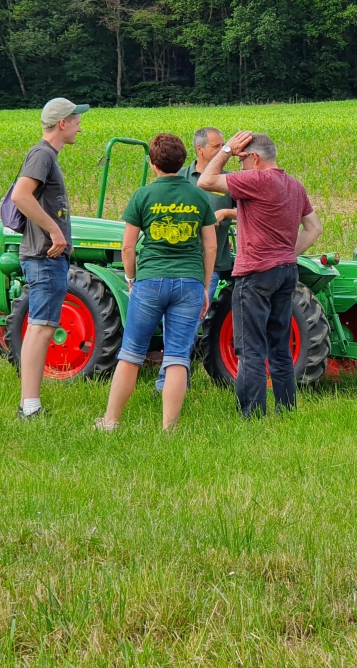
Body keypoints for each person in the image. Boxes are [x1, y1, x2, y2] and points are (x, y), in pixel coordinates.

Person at [198, 131, 323, 417]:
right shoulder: (294, 185)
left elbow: (206, 180)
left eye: (243, 161)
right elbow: (314, 227)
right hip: (286, 272)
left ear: (254, 158)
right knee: (279, 346)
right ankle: (286, 410)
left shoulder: (256, 179)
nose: (239, 167)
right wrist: (289, 253)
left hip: (255, 274)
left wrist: (228, 148)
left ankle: (252, 415)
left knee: (250, 349)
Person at [98, 133, 216, 431]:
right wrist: (203, 286)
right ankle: (169, 429)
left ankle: (110, 422)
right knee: (177, 356)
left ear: (153, 164)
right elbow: (211, 247)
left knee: (131, 353)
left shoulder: (143, 195)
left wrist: (130, 279)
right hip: (188, 282)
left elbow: (127, 247)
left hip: (150, 281)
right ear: (182, 161)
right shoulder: (198, 195)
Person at [12, 97, 88, 420]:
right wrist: (55, 232)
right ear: (62, 124)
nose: (79, 126)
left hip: (46, 257)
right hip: (44, 256)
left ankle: (30, 404)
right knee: (41, 328)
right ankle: (29, 407)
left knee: (41, 326)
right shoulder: (42, 154)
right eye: (76, 120)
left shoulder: (46, 156)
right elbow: (20, 195)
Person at [153, 126, 236, 392]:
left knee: (189, 324)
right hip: (179, 264)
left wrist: (226, 213)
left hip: (210, 267)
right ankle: (173, 383)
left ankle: (169, 384)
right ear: (199, 150)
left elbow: (250, 210)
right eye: (217, 147)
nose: (225, 152)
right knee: (176, 326)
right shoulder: (181, 178)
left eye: (225, 146)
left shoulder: (228, 181)